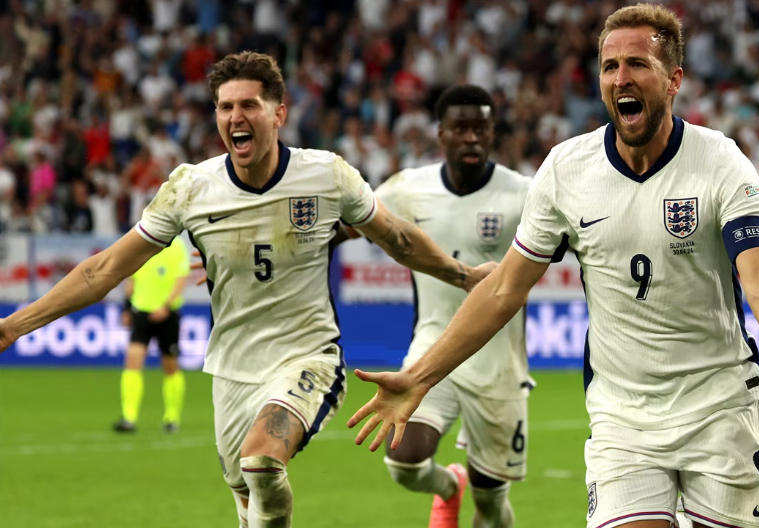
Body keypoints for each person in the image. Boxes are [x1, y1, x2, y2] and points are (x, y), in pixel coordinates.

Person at [348, 5, 759, 528]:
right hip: (622, 420)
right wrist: (419, 378)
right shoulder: (566, 170)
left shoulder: (720, 161)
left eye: (637, 64)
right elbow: (504, 290)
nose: (621, 78)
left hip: (721, 409)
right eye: (610, 66)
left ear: (674, 80)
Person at [0, 51, 494, 528]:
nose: (236, 116)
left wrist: (463, 275)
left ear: (279, 114)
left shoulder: (326, 175)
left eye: (249, 105)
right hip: (232, 370)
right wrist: (14, 326)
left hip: (307, 358)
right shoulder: (190, 189)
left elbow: (398, 238)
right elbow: (104, 270)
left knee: (261, 461)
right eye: (225, 107)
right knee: (250, 500)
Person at [348, 85, 532, 528]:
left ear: (492, 132)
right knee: (404, 460)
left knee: (491, 502)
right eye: (460, 128)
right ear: (441, 133)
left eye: (480, 128)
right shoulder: (409, 188)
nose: (471, 137)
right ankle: (449, 487)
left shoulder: (524, 193)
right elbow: (346, 225)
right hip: (433, 345)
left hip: (499, 362)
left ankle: (475, 495)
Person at [114, 236, 190, 434]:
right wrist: (126, 308)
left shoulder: (177, 246)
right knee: (132, 361)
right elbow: (131, 279)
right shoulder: (141, 242)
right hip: (141, 312)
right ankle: (129, 417)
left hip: (168, 314)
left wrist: (166, 306)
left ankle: (172, 417)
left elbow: (181, 279)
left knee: (170, 365)